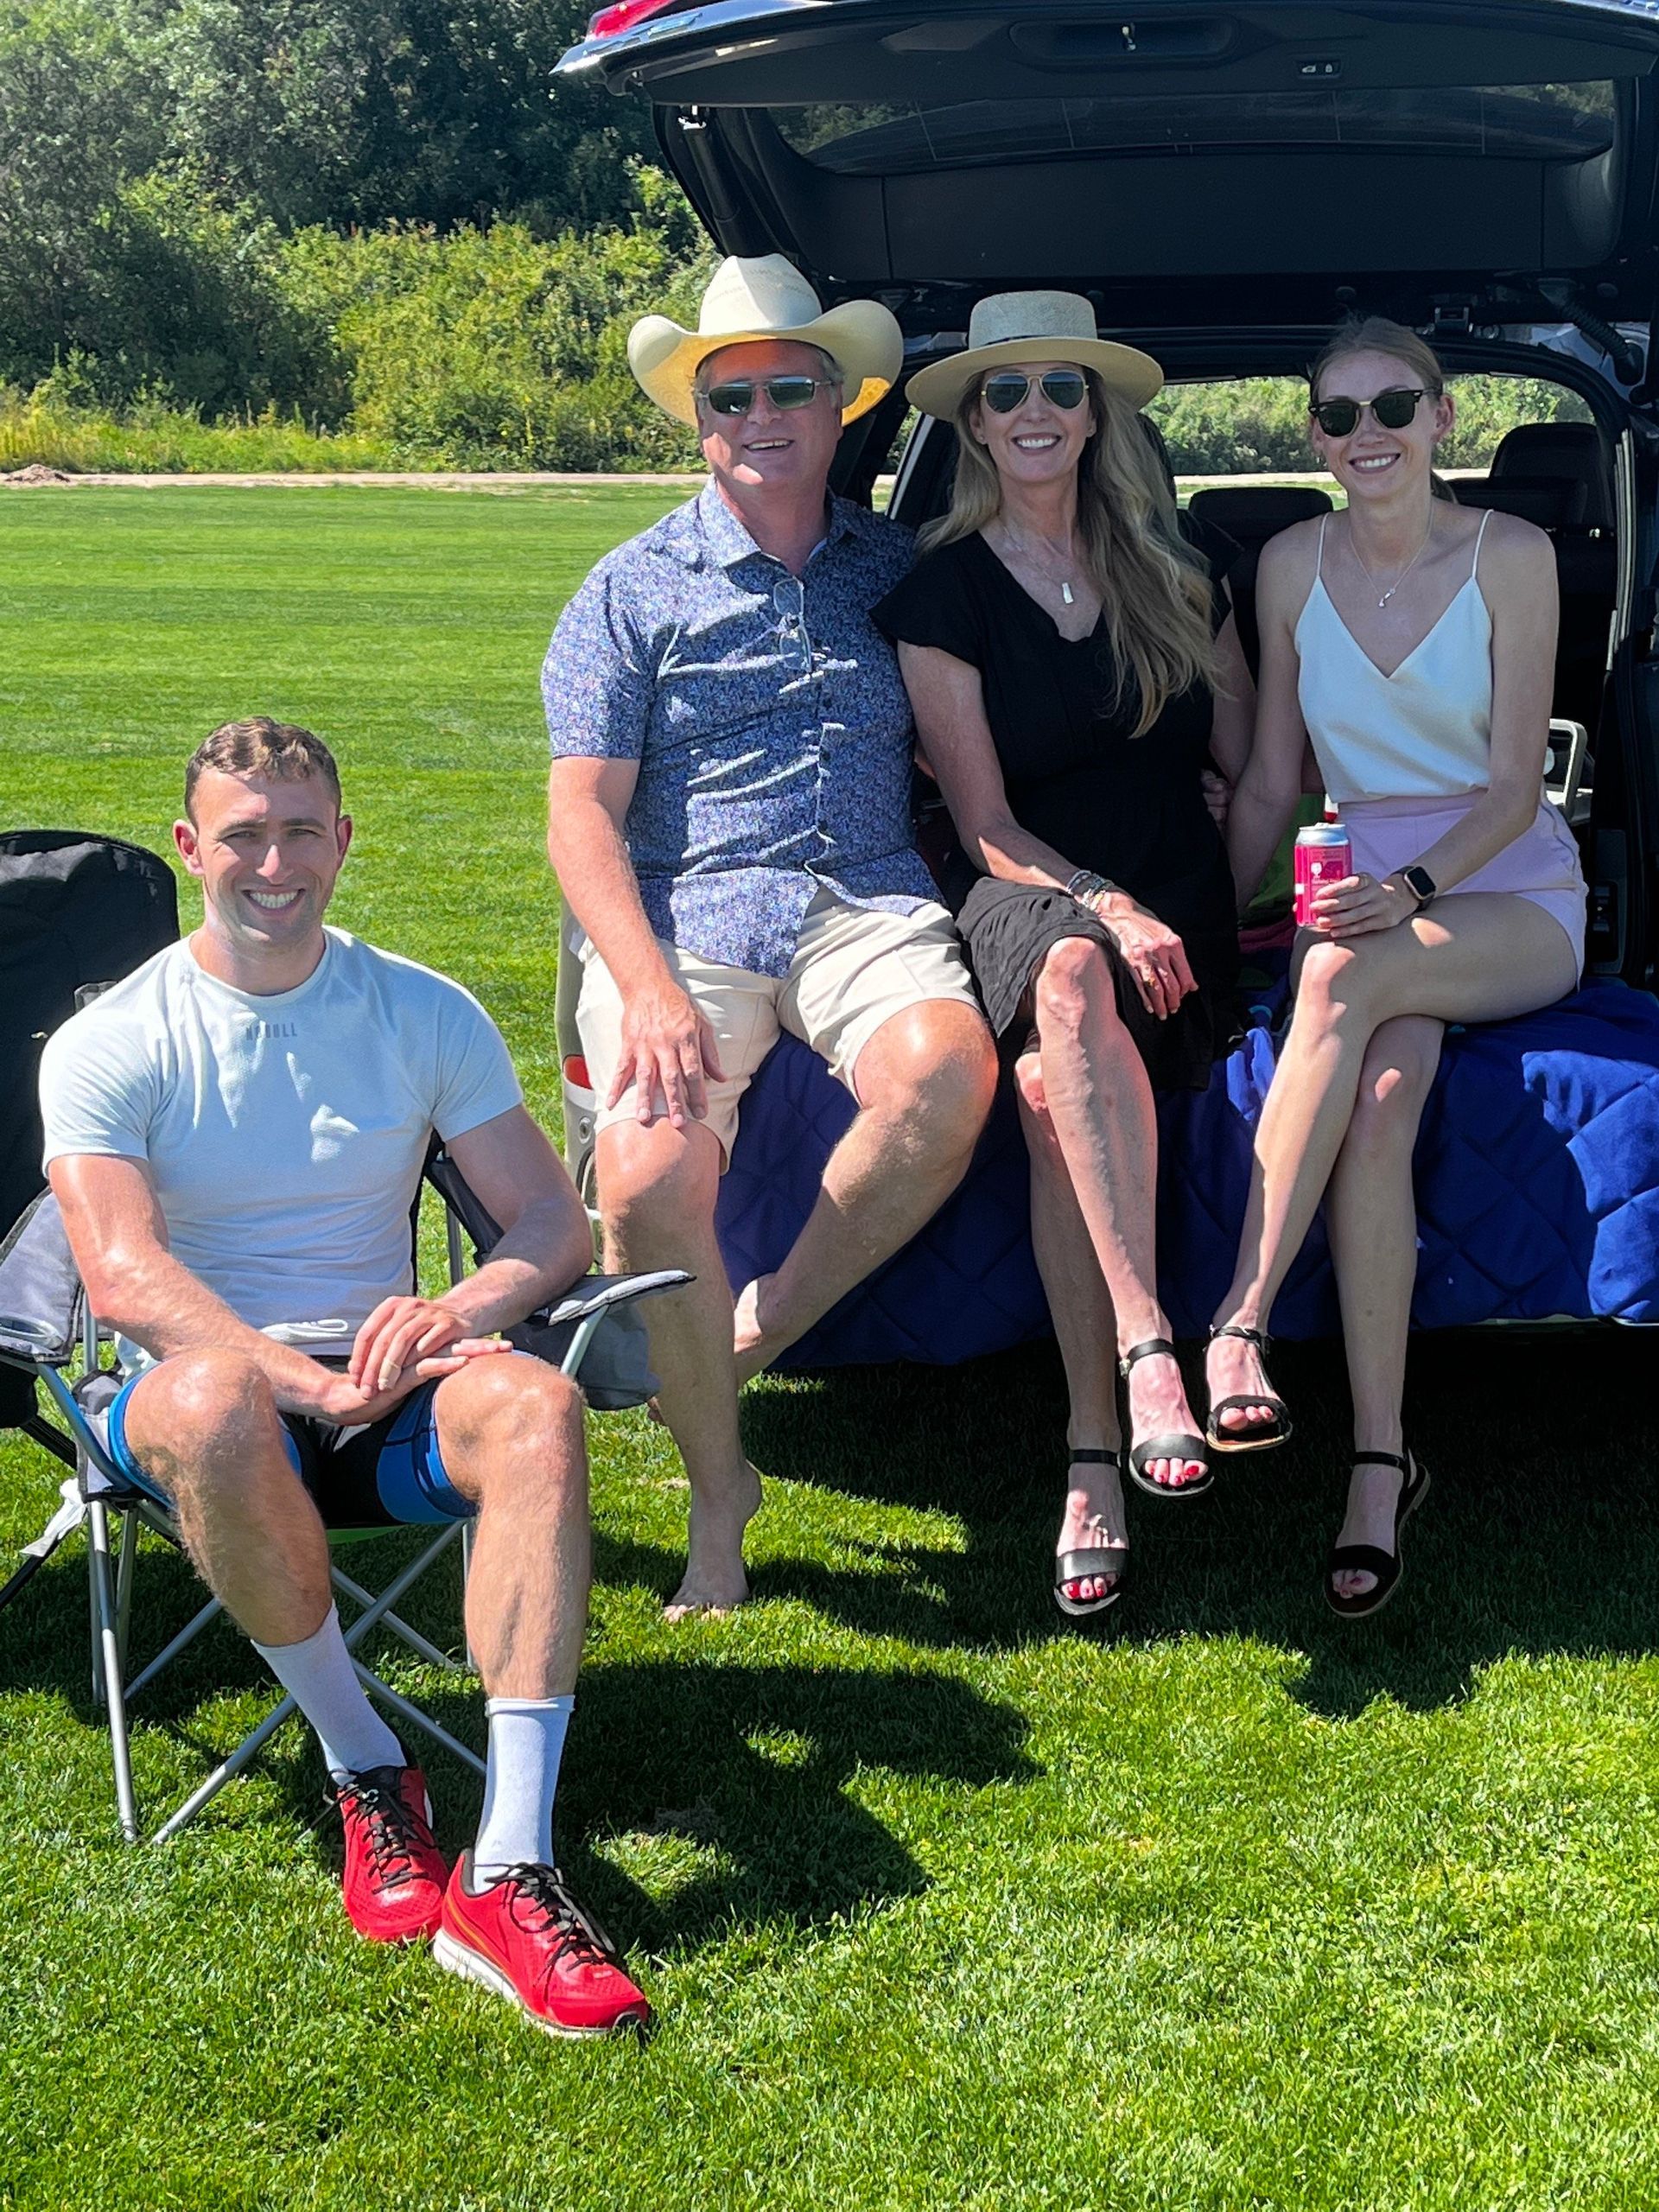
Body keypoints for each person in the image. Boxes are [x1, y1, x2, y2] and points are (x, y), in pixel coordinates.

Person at [41, 718, 652, 2038]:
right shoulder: (113, 1039)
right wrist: (294, 1380)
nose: (276, 864)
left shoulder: (420, 1009)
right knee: (217, 1397)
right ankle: (368, 1766)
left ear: (344, 842)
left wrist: (454, 1313)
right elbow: (123, 1274)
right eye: (244, 837)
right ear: (190, 847)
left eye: (302, 833)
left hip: (387, 1383)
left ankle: (508, 1868)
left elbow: (551, 1223)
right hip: (200, 1404)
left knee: (538, 1405)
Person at [543, 255, 997, 1618]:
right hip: (687, 911)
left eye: (788, 389)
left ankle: (760, 1328)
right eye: (728, 396)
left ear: (840, 404)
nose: (759, 416)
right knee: (643, 1174)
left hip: (866, 897)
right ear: (698, 419)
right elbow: (580, 819)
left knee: (949, 1071)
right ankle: (717, 1494)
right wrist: (644, 988)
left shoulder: (902, 573)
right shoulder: (628, 588)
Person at [874, 290, 1256, 1620]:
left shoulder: (1182, 568)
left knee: (1047, 1086)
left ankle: (1095, 1457)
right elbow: (984, 823)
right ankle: (1152, 1345)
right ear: (976, 426)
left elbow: (1251, 762)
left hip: (1181, 902)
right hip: (1027, 890)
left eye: (1060, 388)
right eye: (1006, 391)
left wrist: (1236, 853)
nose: (1034, 410)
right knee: (1076, 970)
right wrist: (1109, 904)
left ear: (1096, 416)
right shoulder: (940, 591)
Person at [1211, 315, 1587, 1617]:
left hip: (1505, 888)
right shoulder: (1286, 565)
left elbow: (1514, 786)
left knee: (1332, 980)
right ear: (1315, 435)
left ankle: (1241, 1320)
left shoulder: (1515, 554)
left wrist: (1407, 893)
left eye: (1391, 408)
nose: (1364, 434)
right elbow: (1273, 779)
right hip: (1367, 896)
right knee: (1375, 1107)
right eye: (1338, 414)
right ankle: (1381, 1465)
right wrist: (1201, 924)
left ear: (1441, 419)